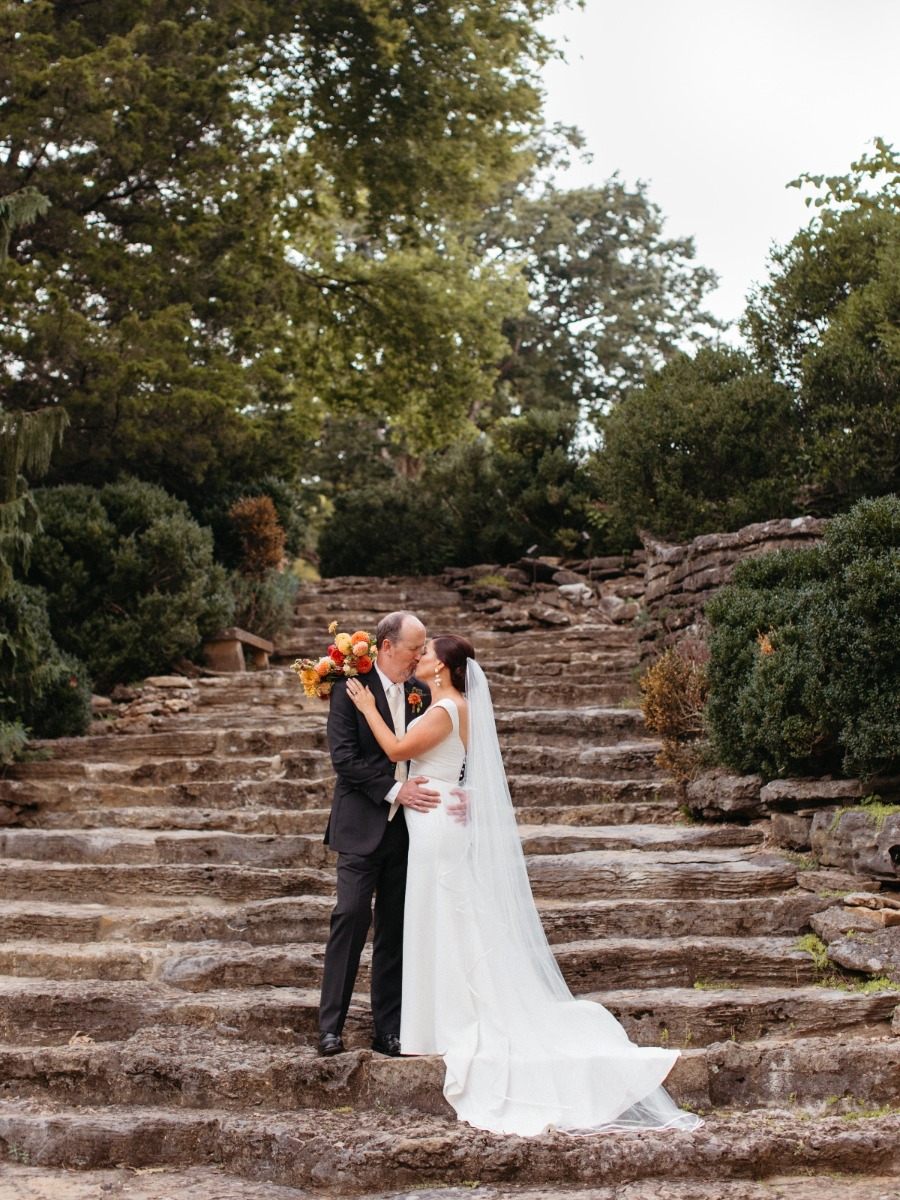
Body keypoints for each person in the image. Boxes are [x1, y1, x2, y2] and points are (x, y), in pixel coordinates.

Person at [345, 634, 702, 1137]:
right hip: (437, 816)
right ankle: (437, 1020)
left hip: (436, 823)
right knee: (443, 917)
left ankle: (451, 1021)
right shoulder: (449, 703)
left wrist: (365, 706)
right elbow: (455, 765)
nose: (421, 656)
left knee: (445, 915)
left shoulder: (447, 707)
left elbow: (399, 748)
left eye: (428, 653)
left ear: (444, 668)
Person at [318, 610, 440, 1059]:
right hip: (360, 825)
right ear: (387, 647)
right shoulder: (349, 690)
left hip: (409, 832)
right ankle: (330, 1027)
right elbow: (344, 759)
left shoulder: (422, 693)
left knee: (395, 930)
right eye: (415, 648)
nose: (420, 657)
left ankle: (388, 1030)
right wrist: (394, 790)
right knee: (349, 918)